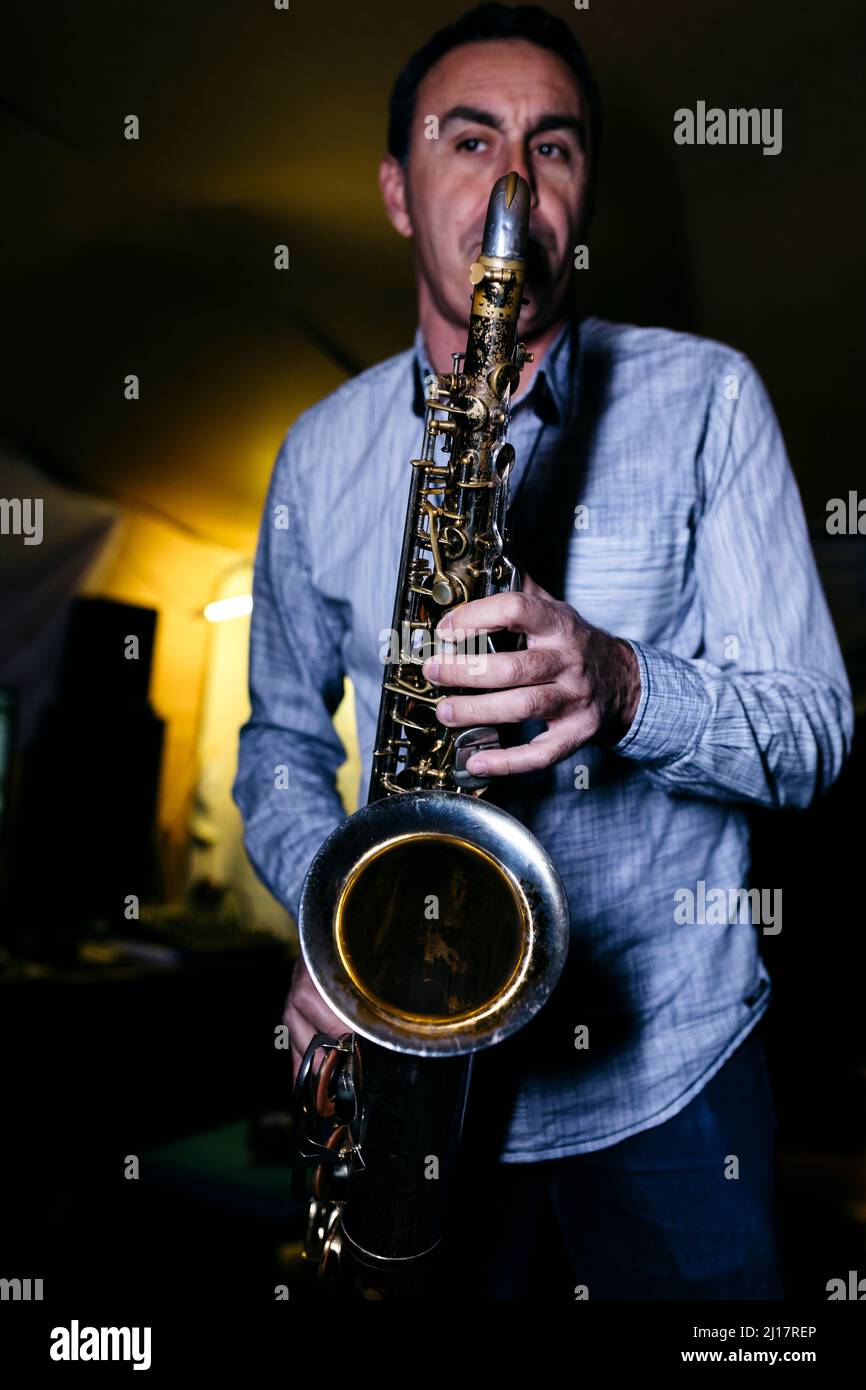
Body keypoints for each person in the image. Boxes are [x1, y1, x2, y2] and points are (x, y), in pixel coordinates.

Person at [232, 3, 852, 1298]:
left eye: (553, 148)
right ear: (399, 190)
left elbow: (810, 734)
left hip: (669, 1074)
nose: (514, 181)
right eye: (469, 140)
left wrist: (623, 683)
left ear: (583, 194)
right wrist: (335, 923)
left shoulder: (707, 396)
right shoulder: (316, 450)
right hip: (421, 1067)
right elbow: (284, 740)